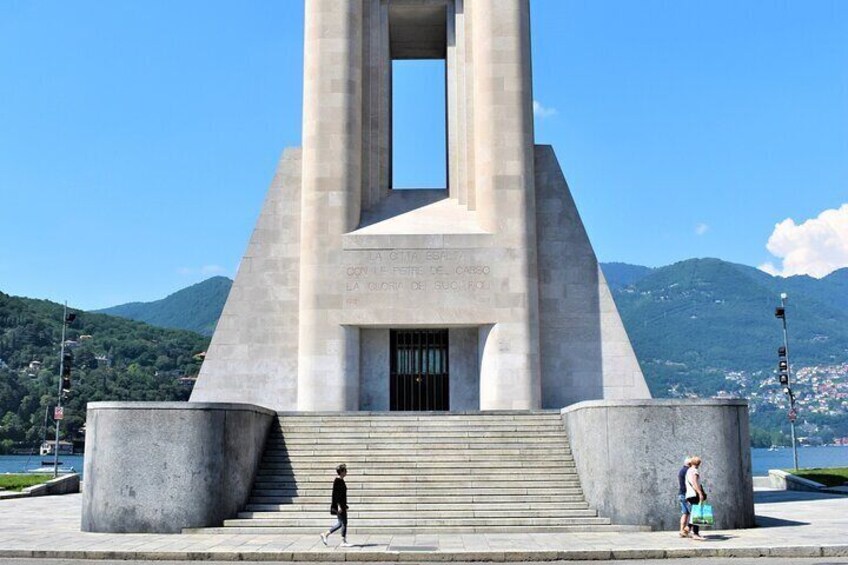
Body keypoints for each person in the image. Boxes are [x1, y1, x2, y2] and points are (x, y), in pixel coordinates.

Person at [320, 464, 352, 547]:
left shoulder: (340, 480)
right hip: (340, 506)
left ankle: (325, 534)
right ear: (341, 472)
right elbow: (336, 495)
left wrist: (345, 505)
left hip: (342, 505)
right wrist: (339, 506)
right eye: (345, 470)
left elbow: (341, 495)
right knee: (344, 523)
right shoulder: (337, 481)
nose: (346, 472)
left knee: (340, 523)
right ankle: (343, 541)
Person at [685, 456, 707, 541]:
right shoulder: (694, 471)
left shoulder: (688, 470)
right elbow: (695, 483)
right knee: (697, 514)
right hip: (694, 494)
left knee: (695, 513)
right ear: (698, 463)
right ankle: (695, 533)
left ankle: (688, 527)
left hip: (690, 494)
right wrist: (700, 493)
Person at [677, 457, 692, 537]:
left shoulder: (681, 471)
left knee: (685, 513)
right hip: (687, 495)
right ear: (689, 464)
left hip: (681, 494)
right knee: (693, 513)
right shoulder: (688, 471)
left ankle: (681, 530)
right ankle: (687, 530)